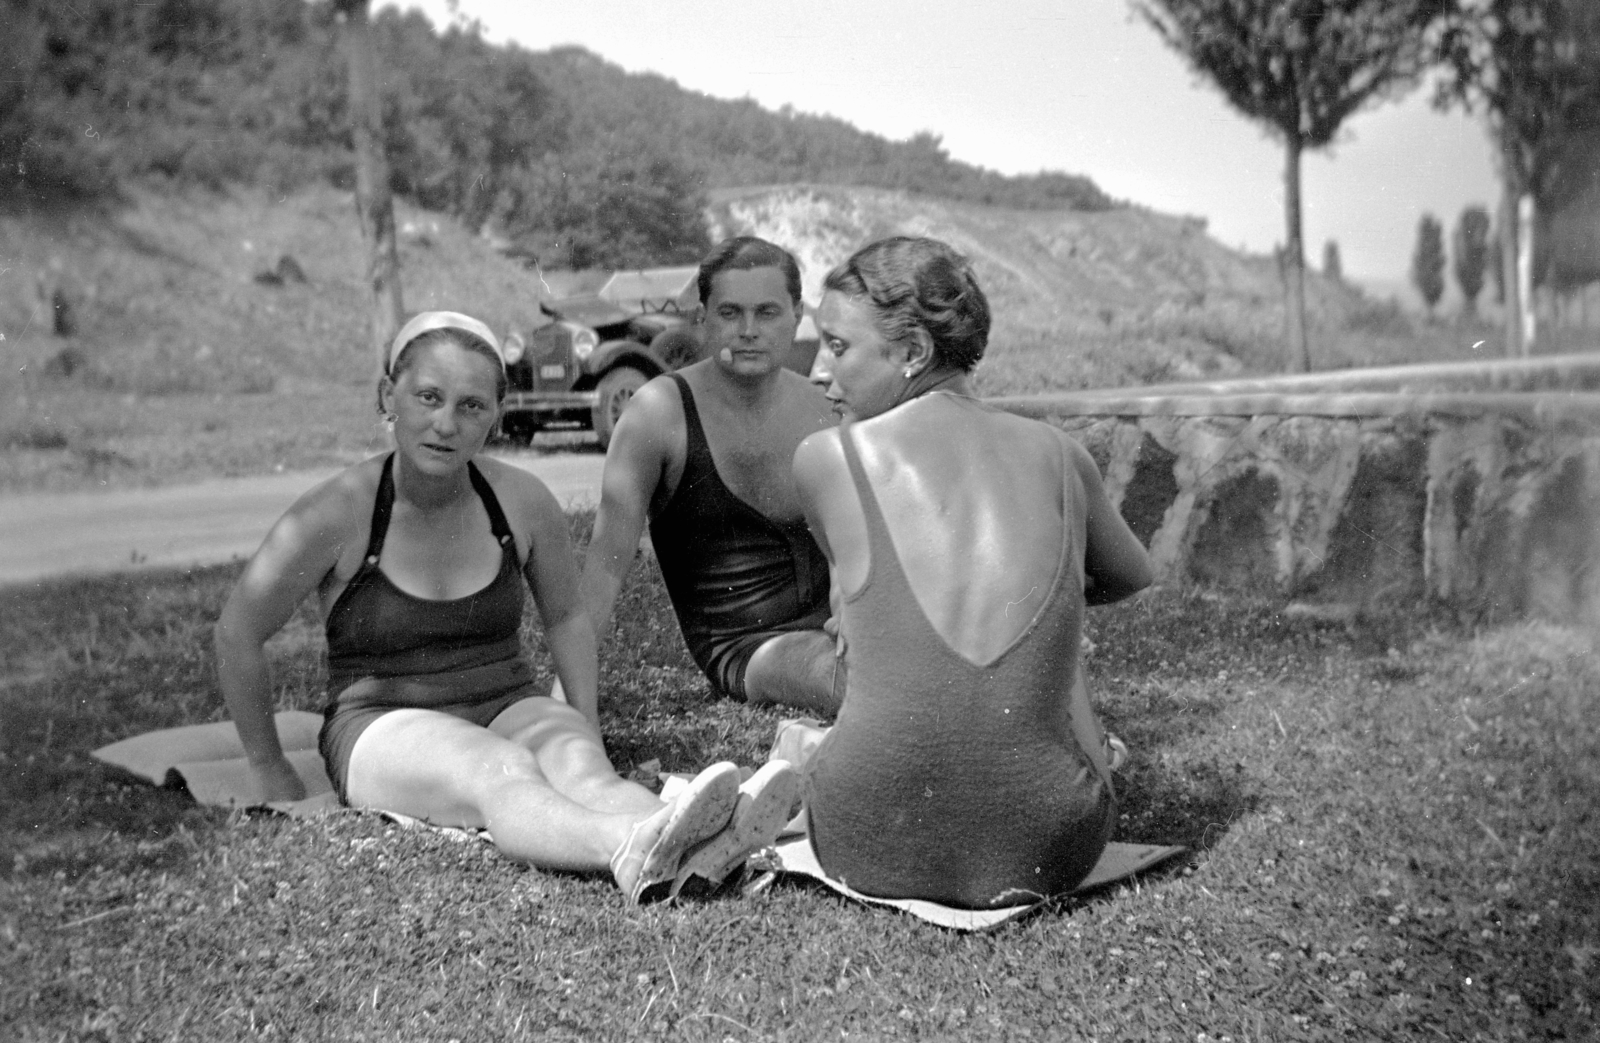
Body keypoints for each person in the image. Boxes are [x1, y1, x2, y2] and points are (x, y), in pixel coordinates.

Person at [213, 311, 797, 903]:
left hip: (507, 700)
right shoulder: (337, 511)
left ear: (495, 416)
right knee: (500, 772)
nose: (445, 424)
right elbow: (238, 632)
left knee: (584, 772)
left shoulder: (519, 500)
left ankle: (703, 847)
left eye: (471, 406)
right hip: (380, 723)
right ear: (389, 396)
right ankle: (628, 845)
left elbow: (566, 617)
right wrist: (266, 763)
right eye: (428, 398)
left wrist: (583, 724)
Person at [790, 237, 1155, 909]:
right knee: (1054, 623)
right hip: (1050, 846)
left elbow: (860, 606)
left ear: (912, 354)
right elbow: (1133, 574)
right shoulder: (1061, 455)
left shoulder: (826, 459)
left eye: (837, 347)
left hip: (864, 835)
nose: (816, 370)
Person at [573, 237, 842, 712]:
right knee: (862, 682)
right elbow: (604, 566)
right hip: (747, 645)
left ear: (798, 317)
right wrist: (566, 698)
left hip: (839, 626)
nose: (748, 331)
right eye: (730, 313)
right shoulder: (659, 412)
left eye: (767, 313)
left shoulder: (824, 407)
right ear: (703, 319)